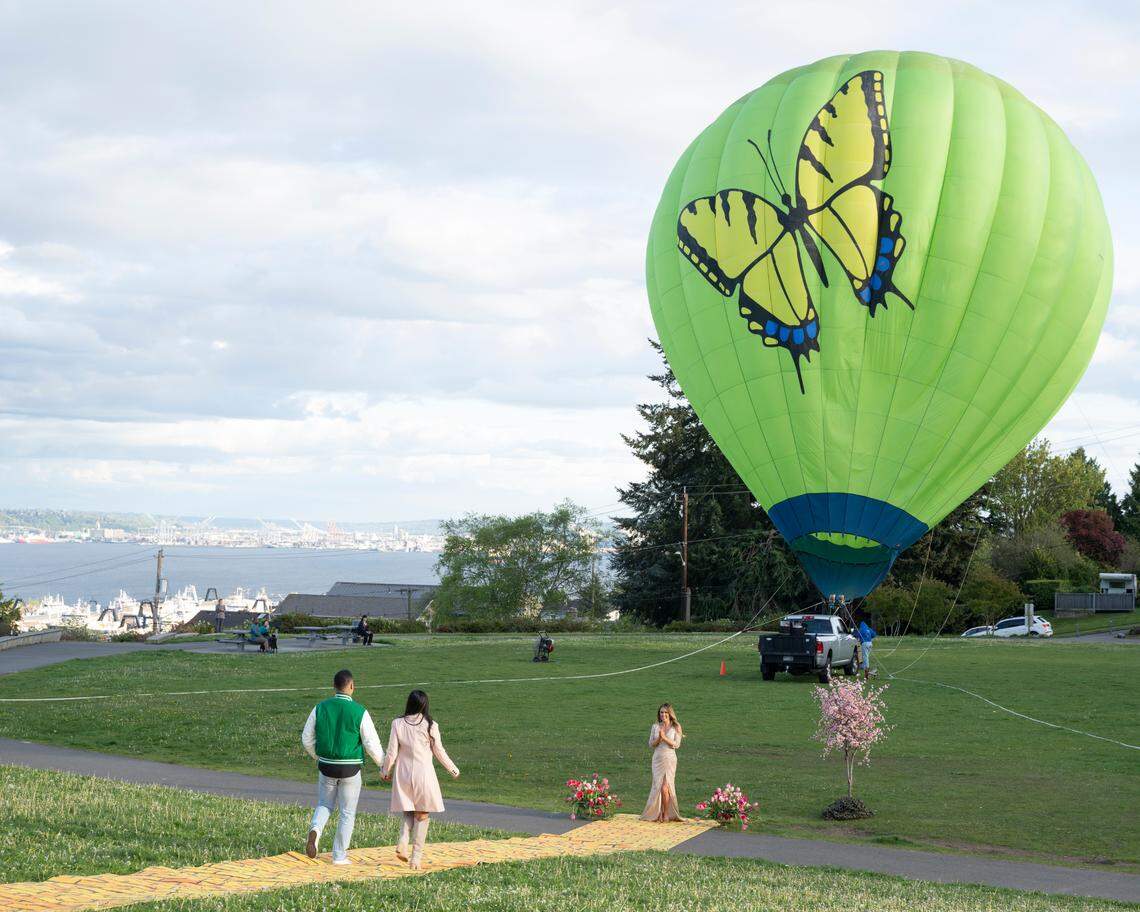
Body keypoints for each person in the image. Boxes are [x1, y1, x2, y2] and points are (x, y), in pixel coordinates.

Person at [301, 669, 385, 865]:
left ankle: (316, 830)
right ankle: (339, 856)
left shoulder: (320, 708)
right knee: (347, 812)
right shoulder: (359, 711)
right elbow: (371, 743)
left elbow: (306, 738)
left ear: (334, 686)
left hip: (326, 766)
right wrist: (383, 765)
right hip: (350, 769)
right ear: (352, 686)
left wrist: (318, 755)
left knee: (324, 804)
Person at [382, 689, 460, 869]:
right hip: (423, 774)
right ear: (425, 705)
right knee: (422, 814)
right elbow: (439, 751)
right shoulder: (430, 725)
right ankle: (415, 858)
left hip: (403, 773)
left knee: (408, 809)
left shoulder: (397, 723)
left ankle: (403, 839)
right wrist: (453, 769)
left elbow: (392, 752)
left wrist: (385, 771)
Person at [640, 702, 684, 822]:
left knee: (666, 786)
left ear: (670, 714)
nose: (663, 714)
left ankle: (666, 813)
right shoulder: (655, 726)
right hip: (658, 758)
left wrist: (664, 738)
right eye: (661, 712)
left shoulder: (676, 726)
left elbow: (677, 744)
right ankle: (657, 812)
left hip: (669, 758)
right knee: (658, 786)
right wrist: (659, 738)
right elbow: (651, 744)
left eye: (665, 712)